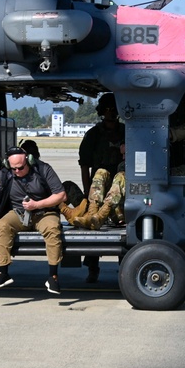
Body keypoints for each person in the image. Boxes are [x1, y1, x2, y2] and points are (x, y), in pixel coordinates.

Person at [0, 143, 67, 294]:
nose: (17, 171)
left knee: (52, 229)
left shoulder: (43, 169)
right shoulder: (5, 174)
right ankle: (3, 272)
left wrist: (37, 204)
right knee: (3, 225)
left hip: (44, 212)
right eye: (13, 168)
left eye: (20, 168)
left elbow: (61, 195)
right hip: (18, 213)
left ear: (28, 161)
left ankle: (53, 276)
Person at [73, 93, 124, 281]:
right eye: (107, 109)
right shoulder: (93, 135)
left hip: (120, 188)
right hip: (98, 187)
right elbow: (84, 165)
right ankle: (92, 269)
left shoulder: (126, 132)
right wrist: (88, 195)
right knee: (93, 226)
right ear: (102, 112)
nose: (111, 113)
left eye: (114, 109)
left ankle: (124, 271)